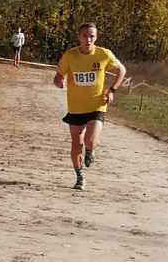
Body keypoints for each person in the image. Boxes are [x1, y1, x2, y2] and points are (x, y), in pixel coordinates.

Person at [53, 21, 126, 191]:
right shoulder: (70, 56)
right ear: (79, 37)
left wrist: (112, 89)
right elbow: (58, 75)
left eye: (92, 36)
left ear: (96, 37)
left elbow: (121, 70)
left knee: (90, 140)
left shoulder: (103, 54)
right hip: (76, 107)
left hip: (97, 105)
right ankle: (79, 177)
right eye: (85, 36)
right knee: (76, 143)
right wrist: (59, 81)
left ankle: (90, 151)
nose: (88, 39)